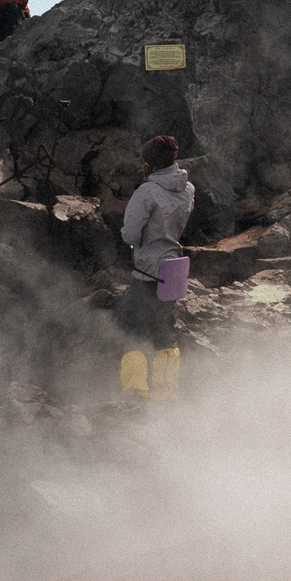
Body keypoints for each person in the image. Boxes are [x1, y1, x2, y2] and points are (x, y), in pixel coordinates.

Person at [118, 135, 195, 404]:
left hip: (149, 271)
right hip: (174, 270)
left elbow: (130, 234)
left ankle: (136, 390)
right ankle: (165, 393)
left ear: (150, 162)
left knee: (132, 327)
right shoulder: (188, 189)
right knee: (165, 332)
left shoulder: (147, 192)